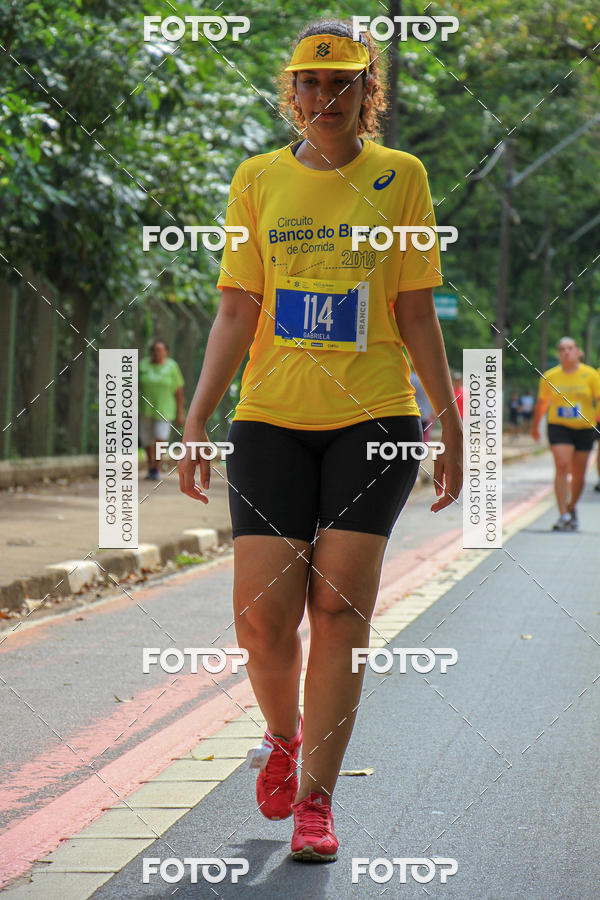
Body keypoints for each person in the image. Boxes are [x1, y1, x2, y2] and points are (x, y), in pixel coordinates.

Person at [178, 20, 462, 863]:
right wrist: (196, 419)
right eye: (310, 82)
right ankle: (284, 735)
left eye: (343, 84)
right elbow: (237, 308)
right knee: (263, 623)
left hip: (374, 419)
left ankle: (316, 803)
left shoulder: (400, 177)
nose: (325, 98)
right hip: (269, 417)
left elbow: (414, 310)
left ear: (367, 94)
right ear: (291, 91)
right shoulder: (257, 179)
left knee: (337, 610)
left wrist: (446, 418)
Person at [531, 336, 600, 530]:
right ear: (558, 354)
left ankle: (572, 507)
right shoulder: (549, 376)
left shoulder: (591, 375)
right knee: (561, 466)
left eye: (570, 348)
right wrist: (535, 426)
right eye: (562, 349)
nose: (566, 352)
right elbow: (542, 403)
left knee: (579, 476)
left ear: (578, 352)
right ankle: (562, 514)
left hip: (585, 428)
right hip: (559, 426)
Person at [138, 339, 184, 480]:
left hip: (165, 409)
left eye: (160, 350)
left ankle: (155, 467)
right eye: (154, 350)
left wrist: (180, 413)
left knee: (160, 439)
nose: (156, 353)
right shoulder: (143, 365)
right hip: (144, 409)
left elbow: (178, 391)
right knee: (146, 440)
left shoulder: (172, 366)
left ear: (166, 352)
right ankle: (150, 464)